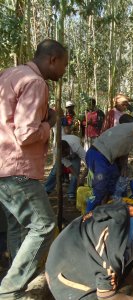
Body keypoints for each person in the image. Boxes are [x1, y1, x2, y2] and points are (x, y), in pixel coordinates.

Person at [0, 39, 68, 298]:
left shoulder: (11, 74)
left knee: (18, 226)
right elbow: (26, 133)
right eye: (64, 65)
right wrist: (49, 123)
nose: (63, 71)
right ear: (52, 59)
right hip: (18, 168)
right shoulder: (36, 82)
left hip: (2, 166)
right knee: (44, 226)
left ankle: (18, 284)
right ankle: (10, 290)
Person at [45, 202, 133, 299]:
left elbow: (120, 267)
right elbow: (107, 297)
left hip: (76, 256)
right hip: (62, 276)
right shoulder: (112, 246)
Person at [45, 126, 87, 202]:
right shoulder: (57, 151)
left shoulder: (76, 147)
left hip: (75, 155)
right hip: (67, 149)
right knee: (55, 172)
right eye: (62, 155)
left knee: (76, 173)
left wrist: (81, 178)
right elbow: (69, 166)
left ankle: (71, 193)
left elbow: (88, 162)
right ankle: (47, 190)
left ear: (68, 149)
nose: (64, 156)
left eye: (65, 154)